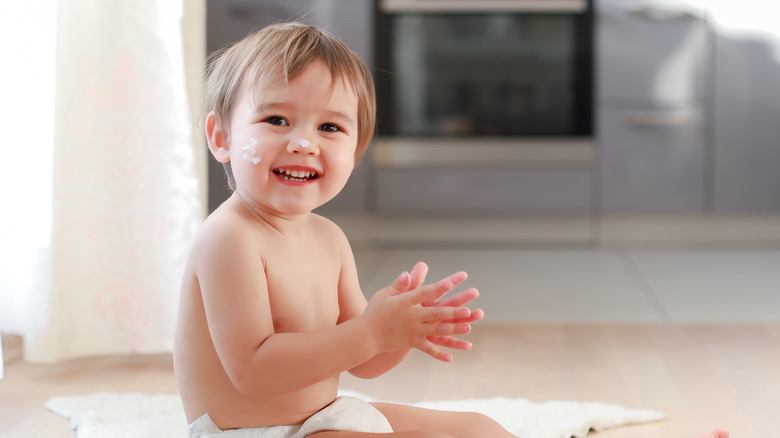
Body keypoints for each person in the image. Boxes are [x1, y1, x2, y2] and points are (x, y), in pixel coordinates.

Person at [173, 22, 730, 438]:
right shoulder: (230, 238)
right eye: (276, 119)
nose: (303, 141)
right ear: (220, 136)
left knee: (478, 428)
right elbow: (253, 370)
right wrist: (368, 332)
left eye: (330, 126)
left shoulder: (328, 240)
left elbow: (361, 363)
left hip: (319, 421)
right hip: (247, 433)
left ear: (356, 151)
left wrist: (394, 331)